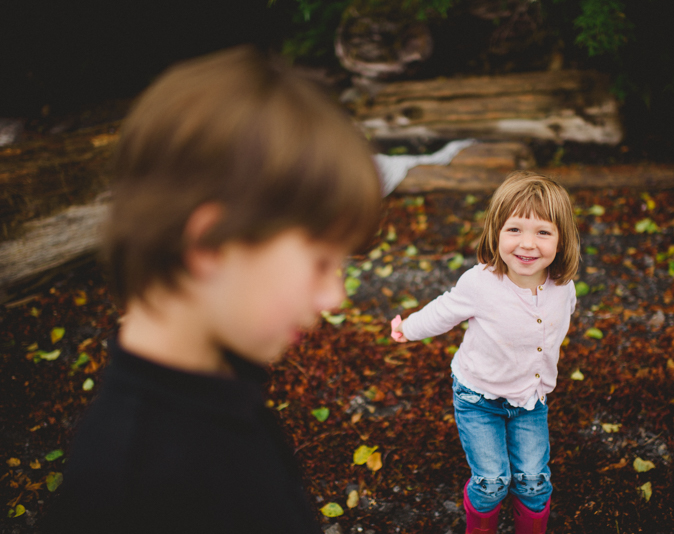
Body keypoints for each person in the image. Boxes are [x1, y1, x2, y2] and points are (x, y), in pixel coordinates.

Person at [42, 46, 382, 533]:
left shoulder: (218, 383)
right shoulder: (133, 492)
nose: (335, 298)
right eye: (322, 263)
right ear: (211, 245)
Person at [391, 171, 580, 534]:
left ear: (562, 239)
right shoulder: (480, 283)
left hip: (529, 399)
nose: (528, 244)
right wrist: (408, 329)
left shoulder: (563, 287)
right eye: (515, 230)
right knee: (493, 481)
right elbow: (443, 310)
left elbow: (559, 318)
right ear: (496, 232)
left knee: (533, 479)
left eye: (543, 232)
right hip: (478, 398)